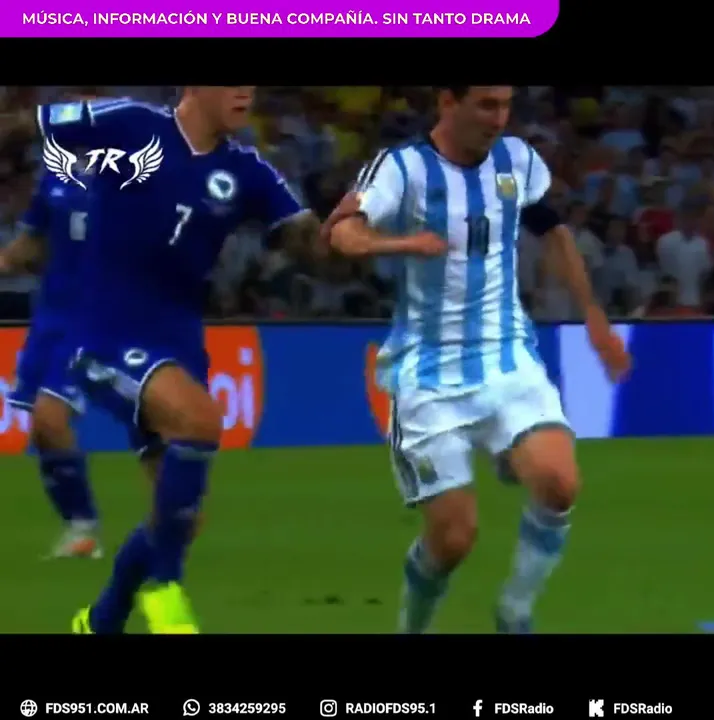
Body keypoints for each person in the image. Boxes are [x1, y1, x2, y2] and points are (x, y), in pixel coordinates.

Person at [10, 88, 319, 633]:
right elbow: (24, 124)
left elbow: (306, 241)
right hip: (103, 328)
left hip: (177, 343)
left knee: (180, 518)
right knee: (200, 421)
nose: (246, 92)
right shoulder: (130, 124)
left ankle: (100, 620)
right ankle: (164, 588)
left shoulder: (247, 170)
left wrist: (338, 233)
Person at [326, 86, 630, 634]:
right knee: (453, 539)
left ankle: (514, 612)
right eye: (486, 104)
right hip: (427, 373)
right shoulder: (403, 168)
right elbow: (342, 232)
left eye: (505, 104)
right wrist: (399, 244)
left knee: (560, 483)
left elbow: (554, 233)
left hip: (505, 357)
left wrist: (593, 317)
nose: (499, 118)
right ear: (449, 102)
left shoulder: (517, 160)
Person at [0, 165, 99, 559]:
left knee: (50, 416)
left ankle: (85, 526)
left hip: (95, 318)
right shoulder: (54, 180)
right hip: (50, 317)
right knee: (41, 430)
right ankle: (78, 527)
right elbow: (29, 246)